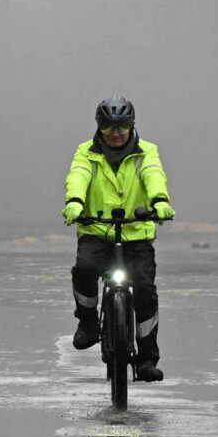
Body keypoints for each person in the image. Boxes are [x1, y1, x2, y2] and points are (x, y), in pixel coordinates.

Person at [63, 96, 174, 382]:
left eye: (121, 127)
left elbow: (154, 175)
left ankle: (147, 357)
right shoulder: (85, 152)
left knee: (145, 291)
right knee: (85, 270)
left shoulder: (146, 152)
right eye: (109, 128)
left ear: (131, 126)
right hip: (97, 231)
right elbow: (78, 176)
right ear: (99, 128)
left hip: (136, 233)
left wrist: (160, 202)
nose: (115, 134)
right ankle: (87, 322)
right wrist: (74, 203)